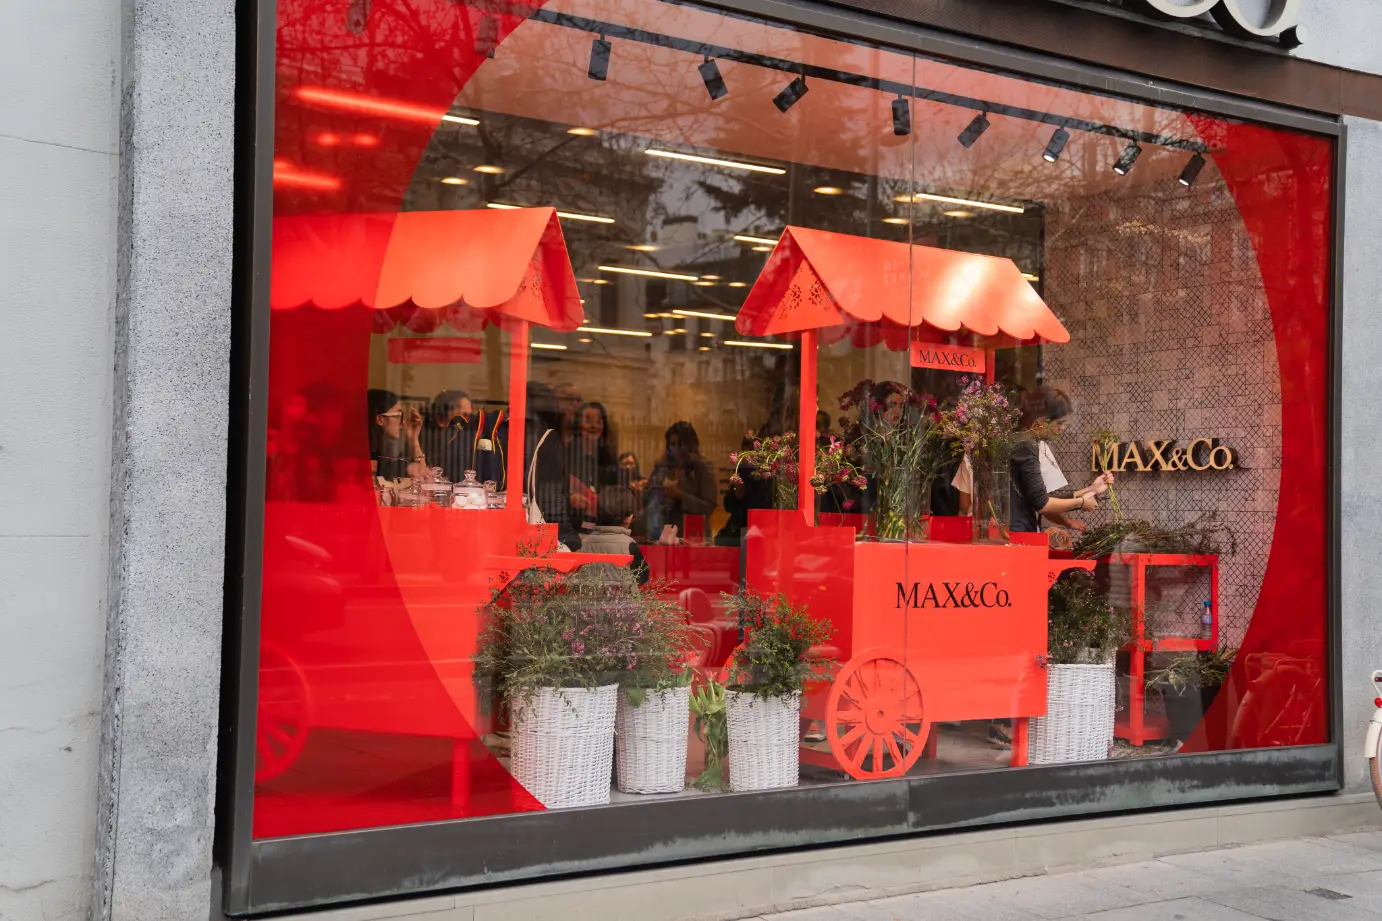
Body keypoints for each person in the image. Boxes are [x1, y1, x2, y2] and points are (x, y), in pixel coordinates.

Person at [1010, 387, 1112, 533]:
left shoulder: (1022, 440)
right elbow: (1042, 504)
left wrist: (1091, 489)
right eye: (1059, 423)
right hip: (1016, 532)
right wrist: (1081, 502)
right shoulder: (1026, 445)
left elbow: (1039, 498)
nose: (1062, 428)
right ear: (1041, 421)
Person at [646, 421, 719, 539]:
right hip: (664, 535)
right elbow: (649, 498)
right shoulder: (662, 467)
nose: (676, 449)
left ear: (690, 445)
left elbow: (708, 507)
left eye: (680, 444)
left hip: (694, 536)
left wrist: (680, 495)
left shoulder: (702, 468)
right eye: (672, 444)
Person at [578, 485, 650, 584]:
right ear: (629, 518)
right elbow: (643, 576)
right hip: (623, 594)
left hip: (589, 594)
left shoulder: (585, 542)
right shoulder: (628, 545)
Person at [567, 401, 619, 529]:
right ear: (578, 424)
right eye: (588, 420)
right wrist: (571, 498)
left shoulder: (609, 460)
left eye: (598, 421)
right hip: (572, 527)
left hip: (602, 529)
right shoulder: (565, 456)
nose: (593, 426)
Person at [367, 389, 427, 481]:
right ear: (380, 419)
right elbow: (423, 476)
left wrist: (413, 438)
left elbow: (424, 476)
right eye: (398, 415)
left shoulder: (385, 456)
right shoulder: (368, 461)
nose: (403, 422)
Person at [419, 389, 475, 483]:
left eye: (470, 416)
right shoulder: (421, 445)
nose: (468, 421)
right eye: (463, 416)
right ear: (440, 419)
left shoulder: (469, 445)